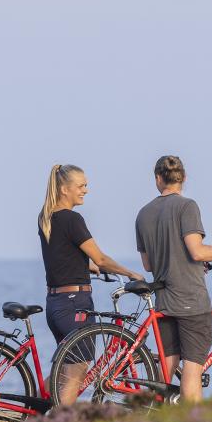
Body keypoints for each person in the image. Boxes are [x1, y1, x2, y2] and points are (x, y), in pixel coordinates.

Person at [134, 155, 212, 403]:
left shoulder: (143, 214)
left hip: (164, 300)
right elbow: (196, 251)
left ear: (158, 179)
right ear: (184, 178)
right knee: (193, 369)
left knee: (165, 367)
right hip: (190, 299)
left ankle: (151, 419)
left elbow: (148, 264)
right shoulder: (187, 206)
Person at [37, 164, 142, 400]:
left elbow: (61, 255)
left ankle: (30, 417)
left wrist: (89, 268)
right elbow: (101, 258)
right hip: (75, 304)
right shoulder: (72, 219)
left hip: (56, 304)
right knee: (77, 371)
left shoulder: (46, 217)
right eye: (81, 186)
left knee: (62, 372)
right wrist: (131, 274)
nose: (86, 190)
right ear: (65, 189)